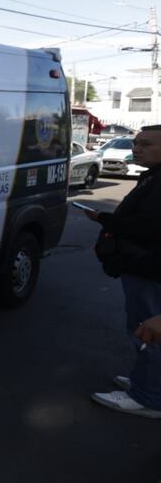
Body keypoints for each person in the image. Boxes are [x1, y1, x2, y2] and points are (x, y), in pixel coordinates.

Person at [83, 124, 161, 418]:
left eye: (146, 144)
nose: (136, 148)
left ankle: (148, 396)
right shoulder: (152, 177)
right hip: (144, 267)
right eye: (136, 143)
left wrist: (105, 219)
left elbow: (145, 228)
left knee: (147, 332)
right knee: (146, 330)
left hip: (148, 269)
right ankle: (147, 383)